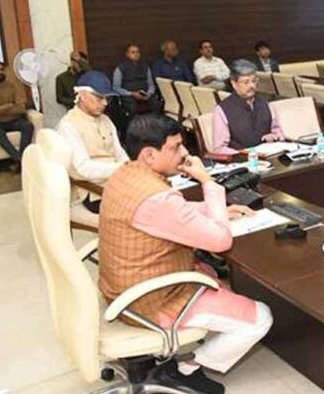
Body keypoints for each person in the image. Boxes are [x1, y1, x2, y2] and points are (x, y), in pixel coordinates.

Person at [98, 114, 273, 394]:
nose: (184, 153)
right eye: (175, 147)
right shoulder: (157, 197)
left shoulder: (124, 175)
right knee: (261, 317)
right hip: (150, 301)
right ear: (149, 154)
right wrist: (207, 181)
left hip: (119, 289)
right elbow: (220, 240)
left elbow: (163, 215)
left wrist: (213, 210)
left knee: (211, 273)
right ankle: (186, 369)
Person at [56, 71, 129, 213]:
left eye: (106, 98)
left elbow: (119, 152)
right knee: (145, 206)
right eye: (100, 97)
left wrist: (129, 168)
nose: (105, 103)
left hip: (119, 181)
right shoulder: (69, 124)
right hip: (95, 191)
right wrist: (121, 169)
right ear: (82, 95)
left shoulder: (106, 119)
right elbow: (83, 168)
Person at [212, 59, 285, 153]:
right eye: (246, 82)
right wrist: (244, 154)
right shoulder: (222, 110)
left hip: (268, 156)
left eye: (254, 81)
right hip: (241, 159)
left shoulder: (265, 104)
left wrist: (274, 136)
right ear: (234, 84)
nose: (251, 86)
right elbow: (219, 149)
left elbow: (278, 133)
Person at [0, 60, 33, 172]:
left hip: (13, 120)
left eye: (1, 69)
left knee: (28, 126)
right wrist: (9, 106)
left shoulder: (12, 85)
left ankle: (20, 161)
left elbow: (21, 108)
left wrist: (0, 109)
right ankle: (20, 159)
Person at [112, 44, 160, 115]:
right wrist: (132, 93)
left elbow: (151, 84)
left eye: (137, 52)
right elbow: (116, 88)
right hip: (129, 96)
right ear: (127, 54)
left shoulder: (145, 67)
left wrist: (149, 93)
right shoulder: (120, 68)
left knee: (156, 104)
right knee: (131, 106)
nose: (136, 54)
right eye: (133, 52)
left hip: (145, 94)